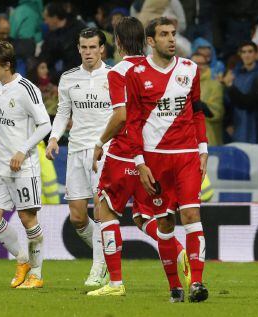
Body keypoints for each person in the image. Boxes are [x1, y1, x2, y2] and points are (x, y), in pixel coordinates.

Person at [88, 16, 188, 298]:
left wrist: (100, 141)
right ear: (146, 41)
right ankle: (179, 252)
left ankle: (116, 283)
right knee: (144, 216)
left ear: (117, 42)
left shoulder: (118, 72)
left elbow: (121, 116)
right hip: (154, 153)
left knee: (104, 210)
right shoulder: (154, 68)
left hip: (125, 152)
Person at [126, 17, 208, 303]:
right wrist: (139, 161)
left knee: (191, 215)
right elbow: (133, 122)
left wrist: (203, 149)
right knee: (165, 225)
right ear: (150, 40)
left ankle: (196, 282)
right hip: (155, 159)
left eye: (173, 34)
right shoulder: (136, 74)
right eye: (164, 34)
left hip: (186, 156)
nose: (171, 39)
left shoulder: (190, 69)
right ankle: (175, 286)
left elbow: (198, 112)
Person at [0, 41, 51, 289]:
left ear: (6, 65)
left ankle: (37, 274)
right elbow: (0, 125)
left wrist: (23, 150)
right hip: (0, 164)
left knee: (27, 218)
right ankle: (22, 259)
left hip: (23, 165)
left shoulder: (26, 89)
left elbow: (45, 125)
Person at [46, 28, 111, 288]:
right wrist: (53, 138)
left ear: (102, 49)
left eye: (93, 47)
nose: (88, 52)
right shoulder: (69, 78)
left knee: (101, 208)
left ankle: (99, 267)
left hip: (103, 151)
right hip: (75, 151)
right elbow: (63, 112)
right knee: (77, 217)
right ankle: (109, 249)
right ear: (78, 48)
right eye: (84, 47)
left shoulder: (114, 76)